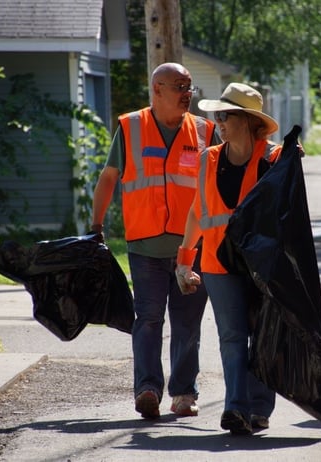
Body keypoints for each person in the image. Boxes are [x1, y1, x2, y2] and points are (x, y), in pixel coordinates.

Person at [90, 62, 219, 420]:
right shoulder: (132, 128)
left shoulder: (206, 132)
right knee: (147, 318)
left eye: (189, 86)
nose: (186, 93)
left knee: (187, 323)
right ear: (157, 90)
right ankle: (147, 389)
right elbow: (109, 177)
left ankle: (182, 394)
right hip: (145, 247)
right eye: (179, 86)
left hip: (192, 249)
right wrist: (95, 225)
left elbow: (233, 167)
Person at [175, 82, 282, 435]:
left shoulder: (276, 160)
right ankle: (235, 407)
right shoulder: (209, 158)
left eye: (225, 115)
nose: (217, 121)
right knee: (232, 336)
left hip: (262, 267)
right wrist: (185, 259)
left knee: (263, 336)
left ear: (249, 121)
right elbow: (197, 211)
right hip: (219, 265)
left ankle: (259, 408)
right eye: (216, 115)